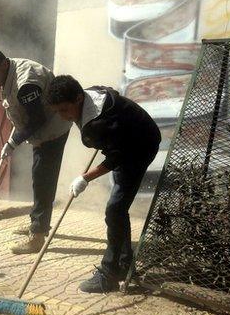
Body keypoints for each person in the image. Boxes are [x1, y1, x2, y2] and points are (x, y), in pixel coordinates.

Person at [45, 74, 161, 293]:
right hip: (129, 136)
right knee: (118, 210)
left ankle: (109, 274)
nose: (61, 116)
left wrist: (85, 178)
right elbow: (106, 90)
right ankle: (126, 265)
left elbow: (118, 157)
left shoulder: (97, 124)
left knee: (115, 209)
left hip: (141, 146)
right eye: (57, 111)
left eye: (64, 110)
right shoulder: (90, 94)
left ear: (79, 98)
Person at [0, 48, 72, 254]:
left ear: (3, 64)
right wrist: (12, 140)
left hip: (53, 129)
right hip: (41, 129)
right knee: (39, 176)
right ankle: (37, 223)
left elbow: (37, 119)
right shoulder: (7, 73)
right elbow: (22, 116)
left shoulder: (25, 82)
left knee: (43, 178)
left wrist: (13, 142)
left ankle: (37, 235)